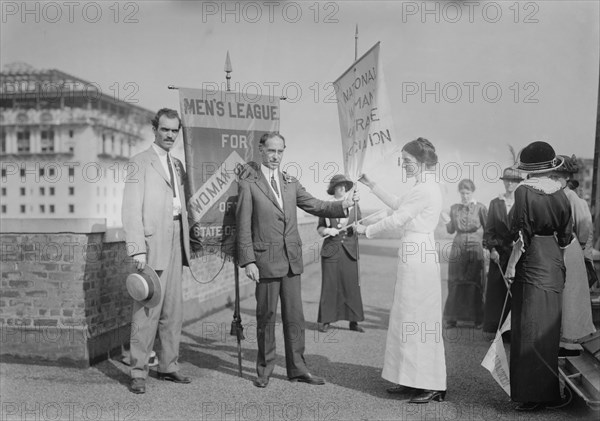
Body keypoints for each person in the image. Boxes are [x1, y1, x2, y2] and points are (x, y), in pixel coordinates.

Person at [236, 132, 358, 388]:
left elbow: (315, 205)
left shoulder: (291, 182)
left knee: (295, 317)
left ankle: (298, 369)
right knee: (266, 317)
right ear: (261, 150)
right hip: (265, 261)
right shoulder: (249, 183)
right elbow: (243, 225)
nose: (275, 156)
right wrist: (248, 261)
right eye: (271, 151)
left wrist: (343, 204)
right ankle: (265, 369)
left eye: (280, 151)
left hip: (291, 261)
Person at [356, 137, 447, 404]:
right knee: (407, 317)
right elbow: (398, 204)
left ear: (421, 162)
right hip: (414, 253)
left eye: (407, 162)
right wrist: (371, 184)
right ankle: (411, 379)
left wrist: (367, 230)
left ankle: (430, 384)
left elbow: (399, 218)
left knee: (419, 320)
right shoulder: (423, 185)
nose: (404, 166)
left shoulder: (426, 188)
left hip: (419, 255)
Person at [122, 108, 192, 394]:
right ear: (155, 129)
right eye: (165, 129)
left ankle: (169, 365)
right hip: (152, 243)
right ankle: (138, 371)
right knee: (147, 309)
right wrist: (138, 250)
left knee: (173, 308)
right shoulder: (140, 162)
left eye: (175, 130)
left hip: (177, 237)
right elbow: (130, 209)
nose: (170, 135)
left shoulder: (177, 164)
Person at [505, 141, 573, 411]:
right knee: (547, 328)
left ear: (530, 169)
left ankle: (531, 395)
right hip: (553, 259)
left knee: (528, 326)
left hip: (531, 258)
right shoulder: (560, 193)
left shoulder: (524, 191)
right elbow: (567, 235)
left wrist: (511, 266)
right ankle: (546, 392)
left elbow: (520, 233)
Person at [553, 156, 595, 356]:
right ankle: (558, 338)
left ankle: (569, 341)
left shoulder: (573, 198)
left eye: (558, 177)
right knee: (561, 293)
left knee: (571, 293)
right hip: (557, 248)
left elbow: (585, 226)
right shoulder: (555, 196)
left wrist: (583, 248)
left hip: (570, 248)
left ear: (567, 178)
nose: (554, 181)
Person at [317, 174, 365, 333]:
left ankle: (354, 321)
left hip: (350, 251)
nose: (343, 188)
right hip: (331, 250)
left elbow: (361, 226)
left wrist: (357, 227)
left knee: (351, 285)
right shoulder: (326, 206)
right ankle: (326, 320)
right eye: (339, 186)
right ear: (333, 189)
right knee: (330, 286)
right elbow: (320, 228)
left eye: (344, 185)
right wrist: (327, 230)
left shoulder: (355, 206)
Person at [481, 167, 523, 337]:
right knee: (496, 291)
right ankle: (495, 330)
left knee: (513, 291)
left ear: (519, 183)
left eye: (514, 180)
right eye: (507, 180)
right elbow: (489, 229)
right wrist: (491, 249)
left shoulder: (522, 204)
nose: (510, 183)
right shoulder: (495, 203)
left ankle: (511, 331)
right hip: (498, 254)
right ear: (503, 181)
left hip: (515, 254)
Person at [443, 179, 488, 328]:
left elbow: (488, 229)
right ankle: (452, 318)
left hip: (475, 244)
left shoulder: (480, 207)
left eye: (467, 193)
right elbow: (450, 230)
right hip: (458, 244)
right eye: (462, 193)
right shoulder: (454, 208)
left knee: (475, 280)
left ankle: (478, 318)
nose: (465, 196)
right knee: (456, 280)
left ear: (472, 192)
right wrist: (446, 219)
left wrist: (489, 247)